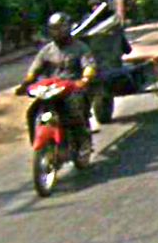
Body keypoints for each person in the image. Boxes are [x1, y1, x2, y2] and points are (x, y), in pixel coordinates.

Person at [15, 12, 97, 145]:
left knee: (76, 112)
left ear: (68, 28)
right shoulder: (47, 50)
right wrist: (25, 84)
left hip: (73, 89)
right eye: (53, 28)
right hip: (52, 89)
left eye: (60, 28)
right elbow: (35, 70)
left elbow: (89, 65)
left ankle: (83, 142)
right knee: (32, 112)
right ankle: (35, 141)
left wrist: (85, 79)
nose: (57, 32)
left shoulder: (80, 47)